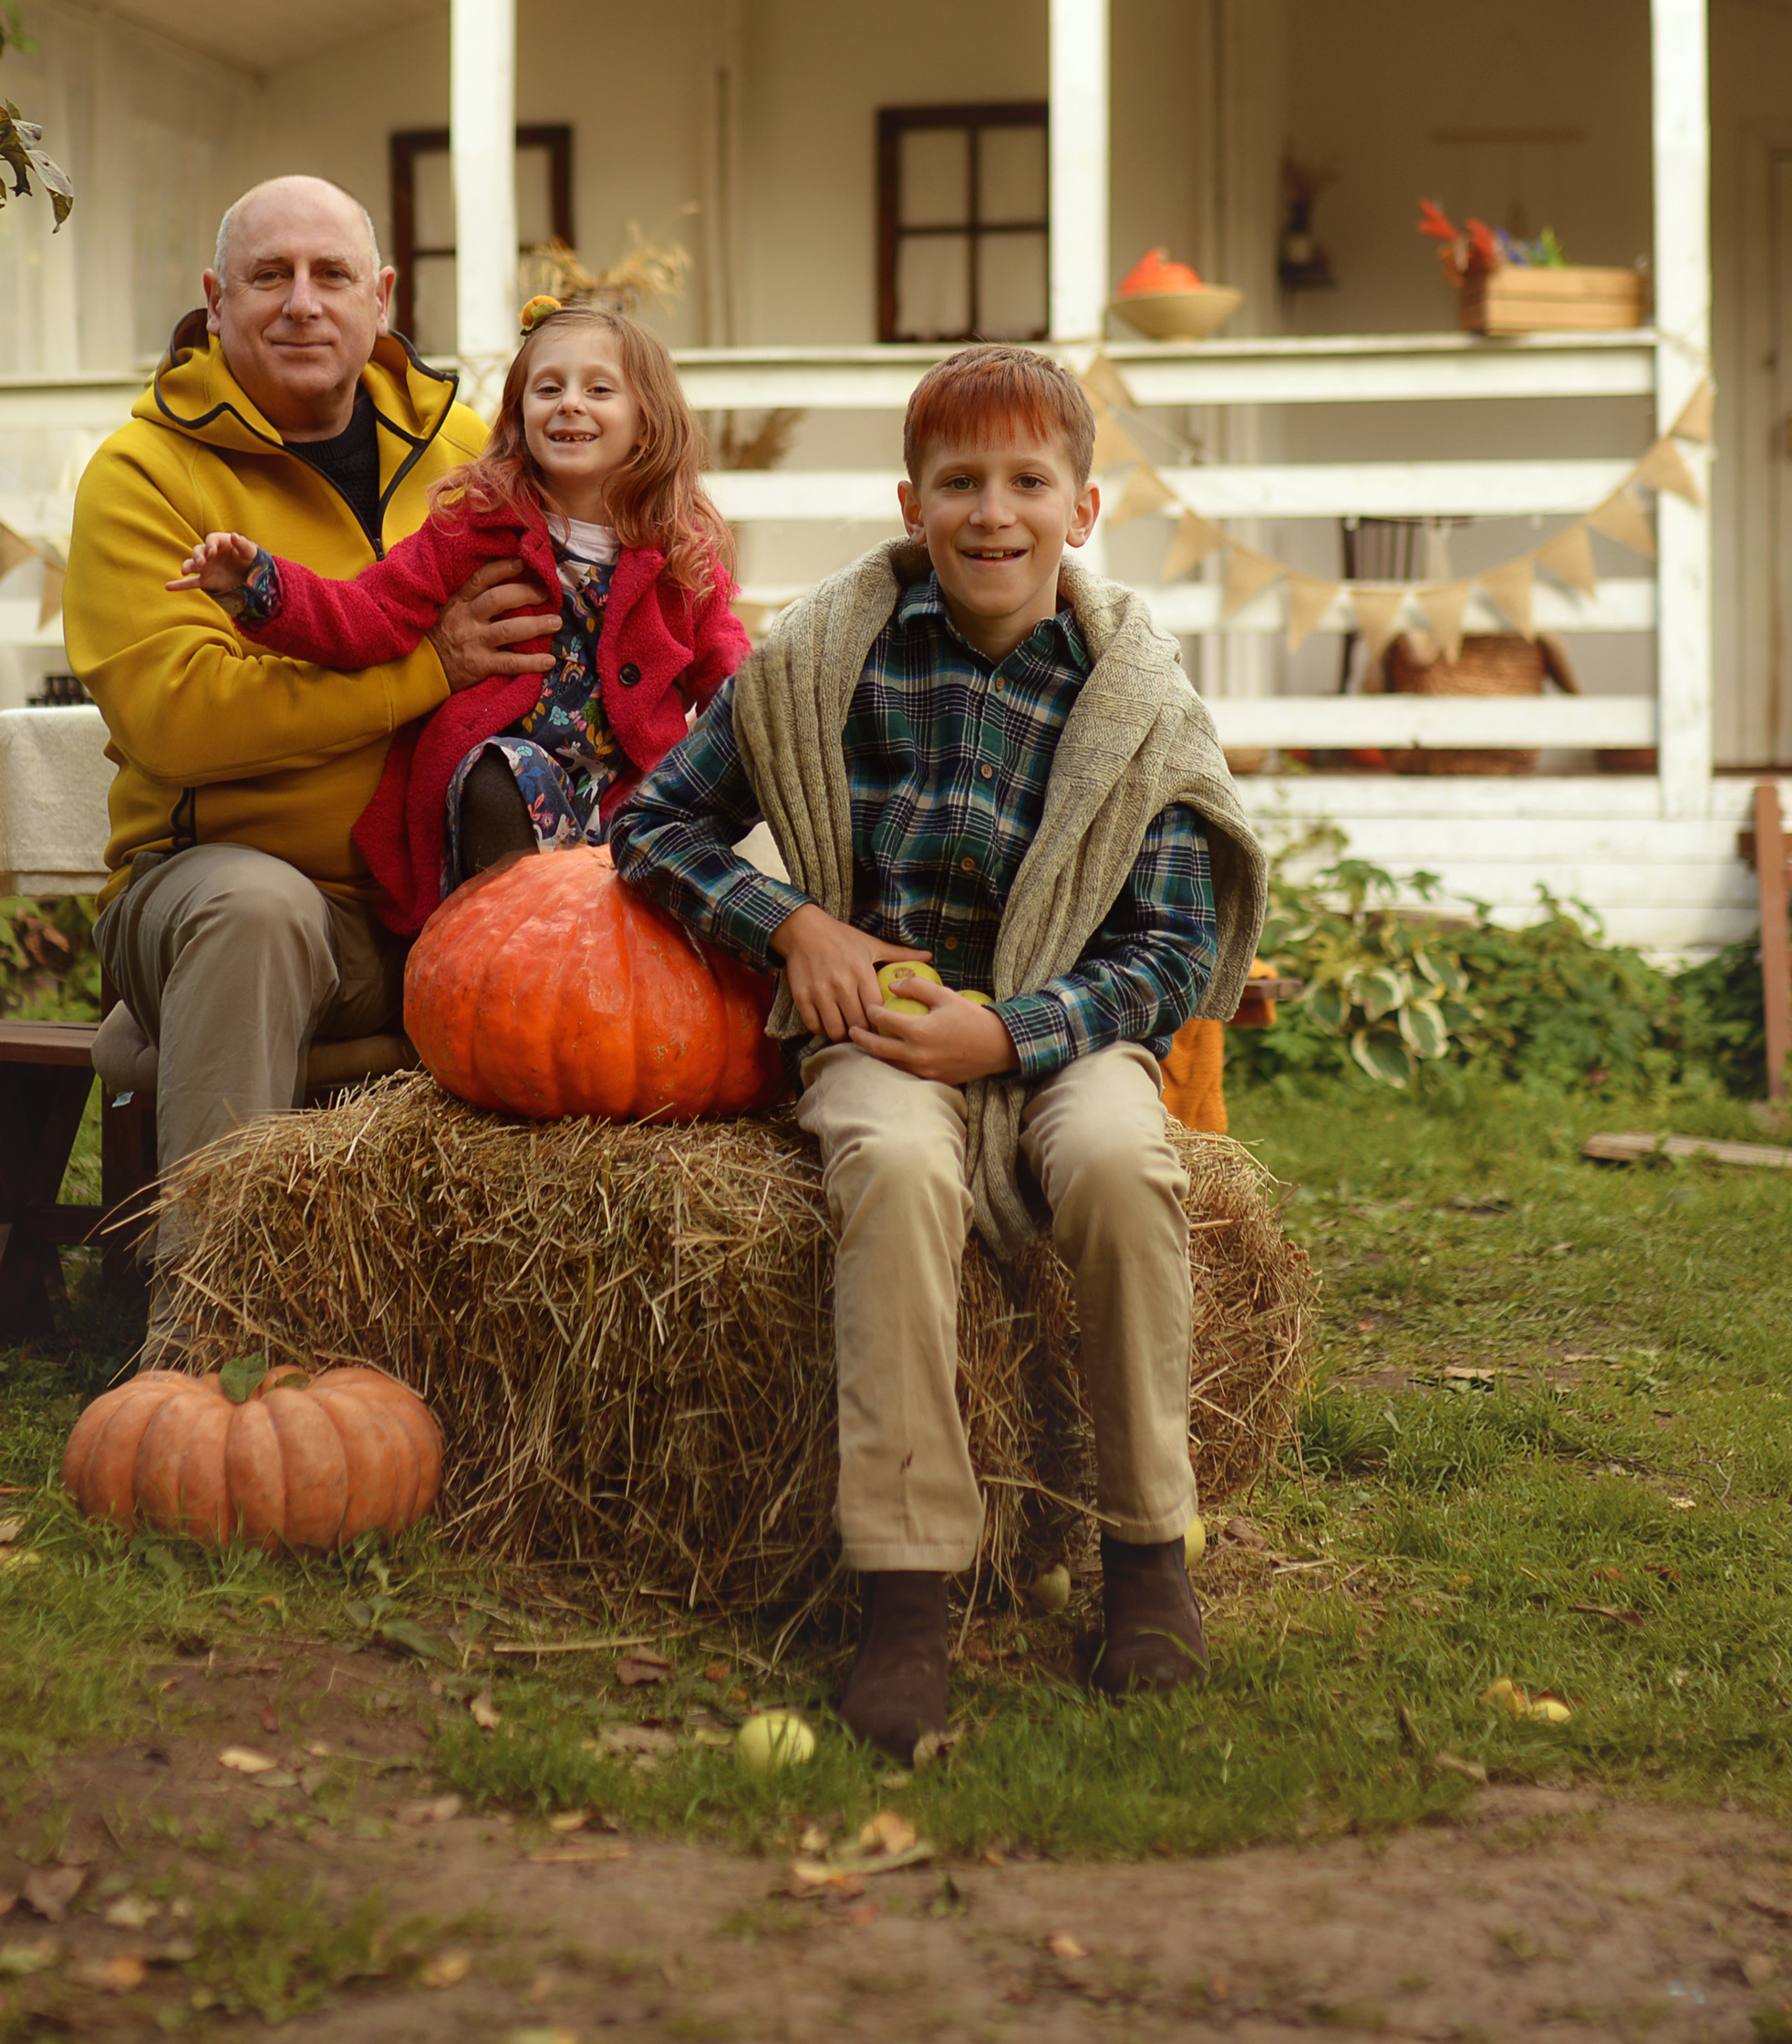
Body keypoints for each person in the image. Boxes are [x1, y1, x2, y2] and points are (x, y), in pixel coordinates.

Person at [612, 344, 1268, 1761]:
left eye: (1029, 481)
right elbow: (653, 828)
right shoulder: (819, 662)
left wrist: (1016, 1033)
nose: (993, 514)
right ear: (911, 502)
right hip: (887, 1018)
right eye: (960, 482)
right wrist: (793, 927)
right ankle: (907, 1589)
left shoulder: (1140, 702)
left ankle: (1149, 1556)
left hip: (1061, 1018)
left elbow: (1164, 958)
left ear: (1082, 510)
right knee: (896, 1172)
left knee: (1114, 1160)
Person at [65, 175, 559, 1350]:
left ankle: (503, 1340)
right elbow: (181, 718)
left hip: (425, 898)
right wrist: (423, 671)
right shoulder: (145, 475)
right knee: (255, 909)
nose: (301, 304)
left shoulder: (465, 451)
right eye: (268, 276)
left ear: (382, 298)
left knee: (583, 931)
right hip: (212, 888)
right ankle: (210, 1339)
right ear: (215, 301)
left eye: (331, 275)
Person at [167, 296, 750, 935]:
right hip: (504, 797)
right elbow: (372, 612)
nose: (570, 403)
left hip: (629, 795)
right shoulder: (479, 521)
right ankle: (507, 951)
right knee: (500, 773)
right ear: (519, 414)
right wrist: (263, 586)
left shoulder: (681, 550)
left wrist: (772, 725)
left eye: (599, 389)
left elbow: (728, 670)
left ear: (647, 421)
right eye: (547, 388)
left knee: (672, 841)